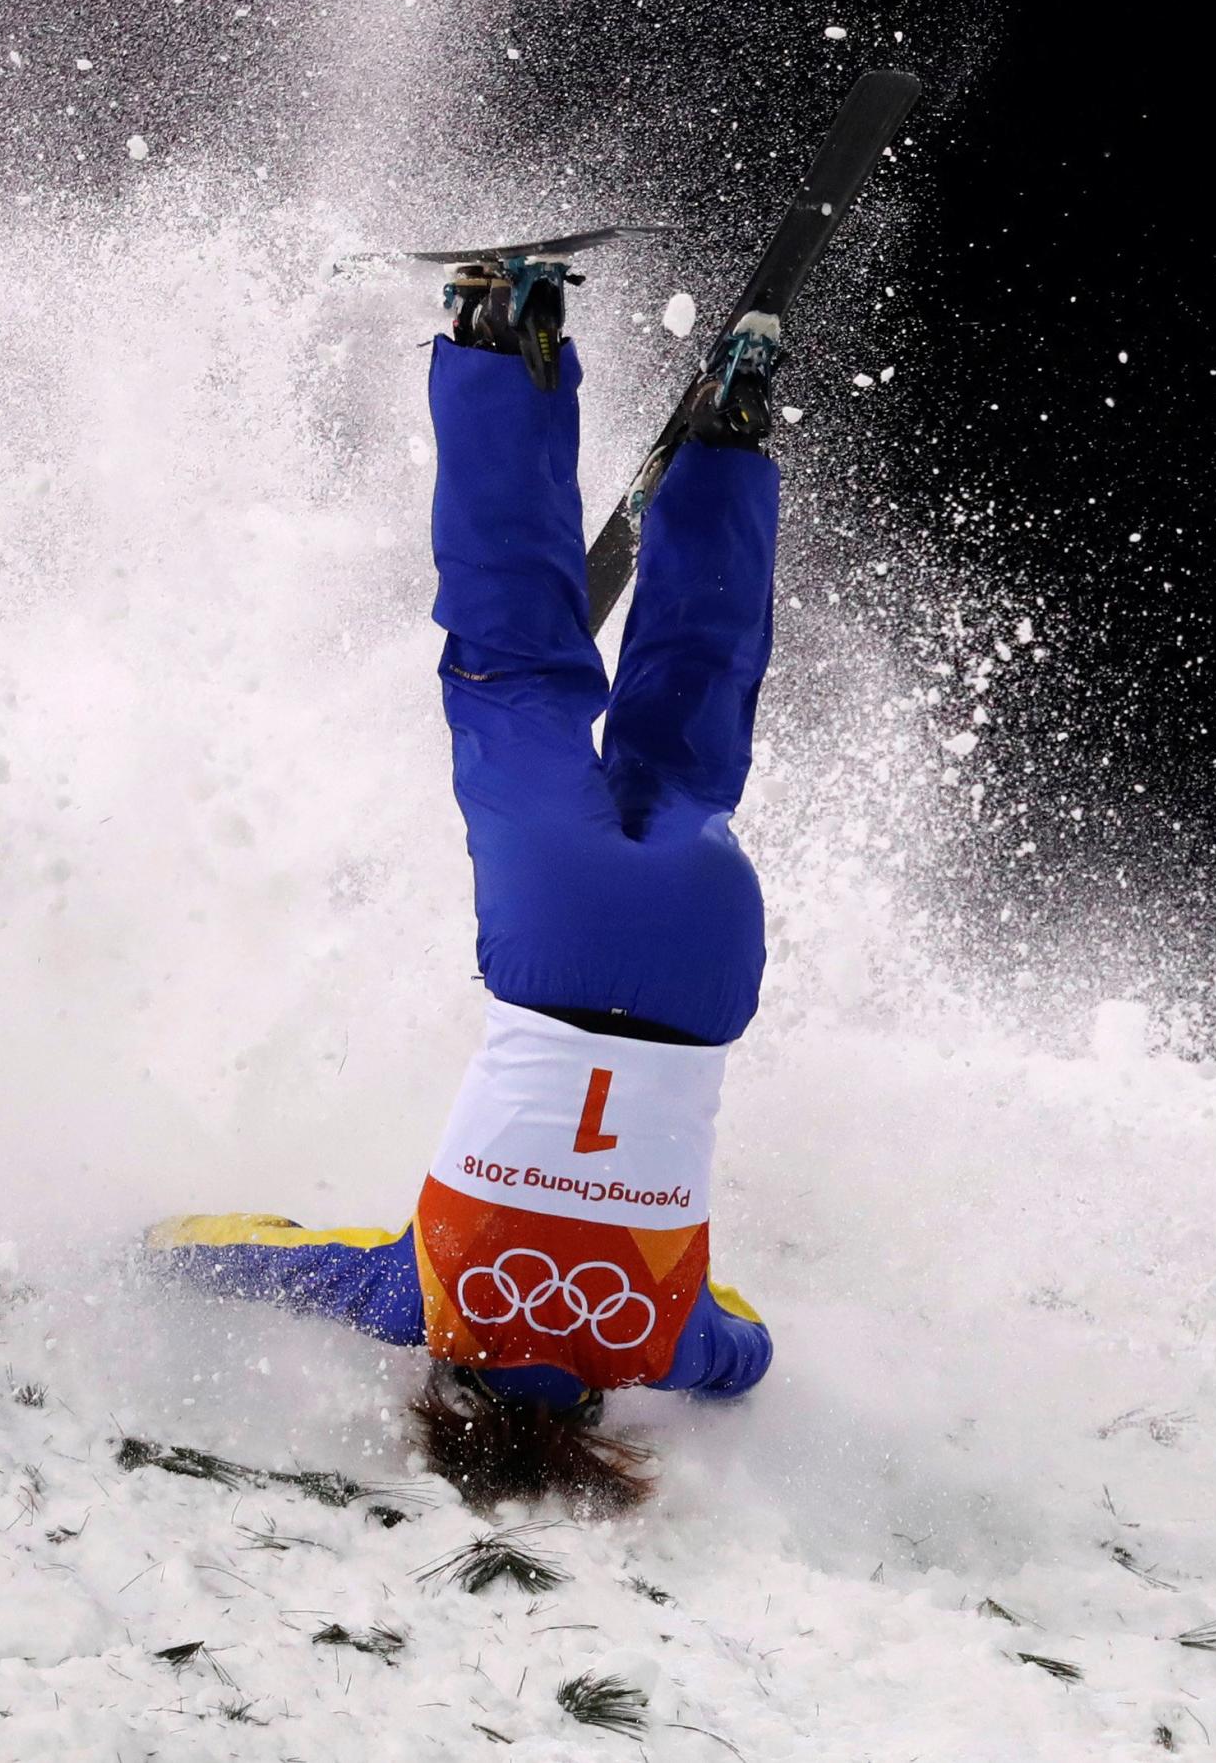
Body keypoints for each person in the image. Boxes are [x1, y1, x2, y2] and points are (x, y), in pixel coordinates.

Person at [149, 258, 784, 1514]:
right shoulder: (423, 1300)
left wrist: (666, 1316)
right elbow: (257, 1256)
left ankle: (732, 440)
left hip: (709, 963)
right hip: (556, 940)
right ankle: (502, 346)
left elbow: (747, 1353)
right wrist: (143, 1250)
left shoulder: (661, 1345)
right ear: (448, 1401)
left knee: (690, 731)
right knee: (515, 666)